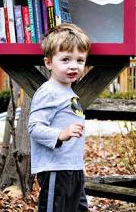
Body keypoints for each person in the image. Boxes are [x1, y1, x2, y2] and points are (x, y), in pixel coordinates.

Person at [28, 23, 90, 212]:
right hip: (55, 168)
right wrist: (60, 134)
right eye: (65, 60)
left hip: (73, 168)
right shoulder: (48, 91)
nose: (74, 66)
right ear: (48, 63)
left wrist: (78, 164)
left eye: (80, 60)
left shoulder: (68, 91)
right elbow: (34, 127)